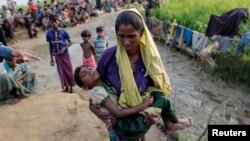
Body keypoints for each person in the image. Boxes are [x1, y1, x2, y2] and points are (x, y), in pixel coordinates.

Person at [88, 8, 191, 140]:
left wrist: (154, 113)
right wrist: (92, 107)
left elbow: (157, 90)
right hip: (117, 122)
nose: (126, 42)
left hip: (142, 117)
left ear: (141, 33)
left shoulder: (149, 58)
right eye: (121, 36)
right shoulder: (109, 57)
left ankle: (169, 123)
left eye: (131, 36)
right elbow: (95, 85)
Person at [75, 65, 192, 139]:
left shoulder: (105, 81)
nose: (90, 71)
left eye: (89, 68)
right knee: (163, 101)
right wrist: (143, 105)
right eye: (84, 74)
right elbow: (118, 113)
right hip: (124, 128)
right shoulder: (96, 91)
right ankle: (170, 124)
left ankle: (169, 123)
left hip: (128, 120)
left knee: (158, 94)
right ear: (84, 87)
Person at [46, 17, 75, 93]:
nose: (54, 23)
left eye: (56, 21)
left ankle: (71, 86)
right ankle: (66, 87)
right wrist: (51, 58)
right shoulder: (49, 34)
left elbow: (70, 42)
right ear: (50, 23)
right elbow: (50, 46)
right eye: (53, 22)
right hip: (56, 55)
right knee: (61, 71)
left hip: (65, 54)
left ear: (58, 22)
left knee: (69, 70)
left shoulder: (63, 31)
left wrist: (64, 48)